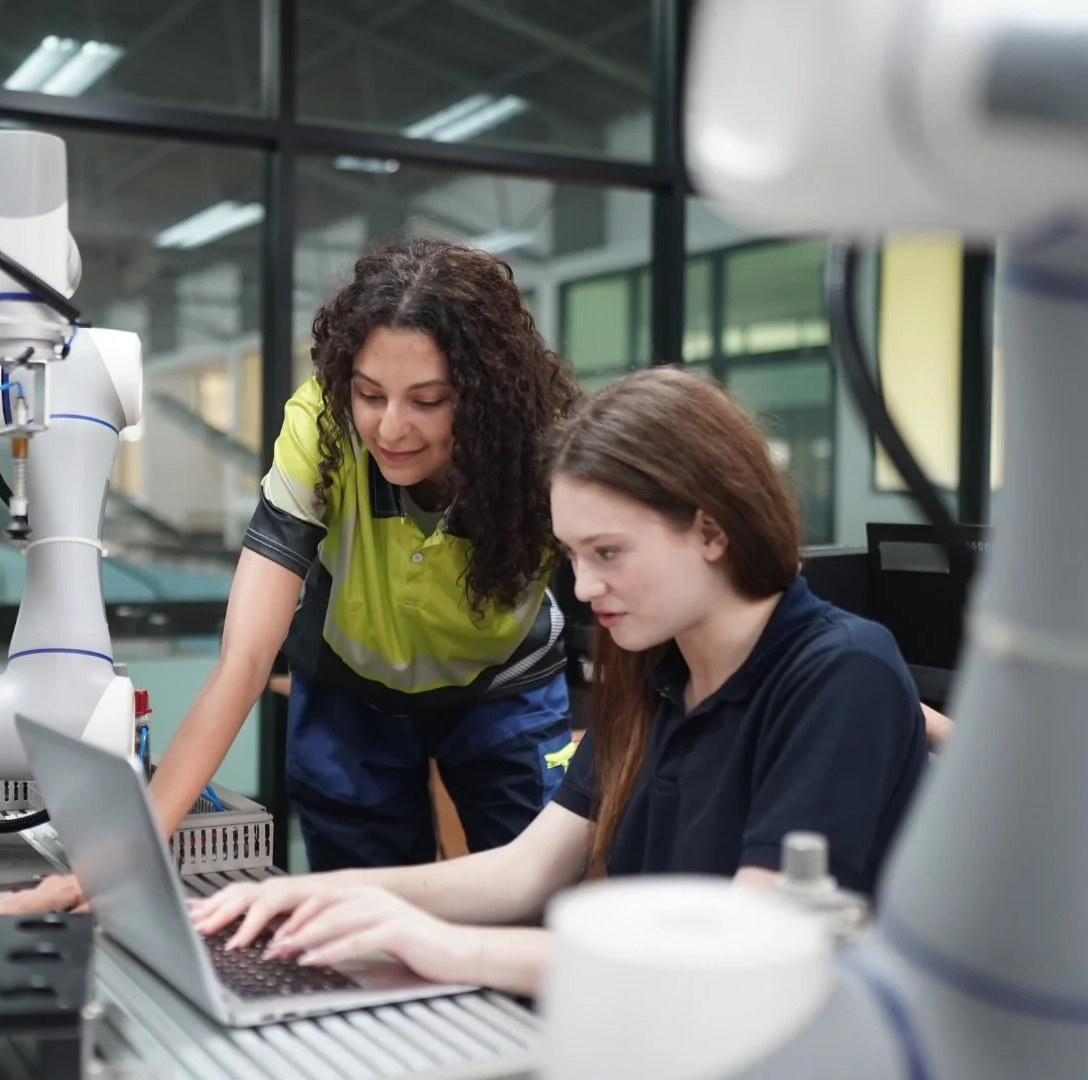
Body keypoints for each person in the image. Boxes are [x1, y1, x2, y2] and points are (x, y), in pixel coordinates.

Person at [185, 366, 929, 997]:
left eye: (608, 553)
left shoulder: (840, 673)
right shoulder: (655, 675)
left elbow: (742, 952)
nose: (581, 589)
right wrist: (295, 896)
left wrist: (447, 947)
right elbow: (524, 872)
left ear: (711, 530)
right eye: (572, 557)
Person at [0, 235, 582, 915]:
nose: (392, 427)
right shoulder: (319, 428)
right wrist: (125, 855)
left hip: (504, 692)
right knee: (355, 928)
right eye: (370, 394)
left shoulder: (545, 443)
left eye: (429, 400)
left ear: (481, 393)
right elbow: (245, 657)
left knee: (544, 908)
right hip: (354, 699)